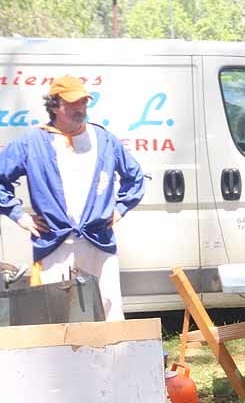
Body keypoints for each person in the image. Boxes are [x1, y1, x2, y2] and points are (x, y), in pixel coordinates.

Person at [0, 75, 145, 320]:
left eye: (84, 103)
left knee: (108, 306)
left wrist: (119, 210)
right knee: (54, 312)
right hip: (54, 241)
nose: (81, 108)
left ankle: (113, 356)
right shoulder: (32, 142)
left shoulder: (103, 139)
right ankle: (60, 357)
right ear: (55, 105)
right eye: (73, 103)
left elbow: (135, 177)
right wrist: (20, 217)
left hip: (98, 237)